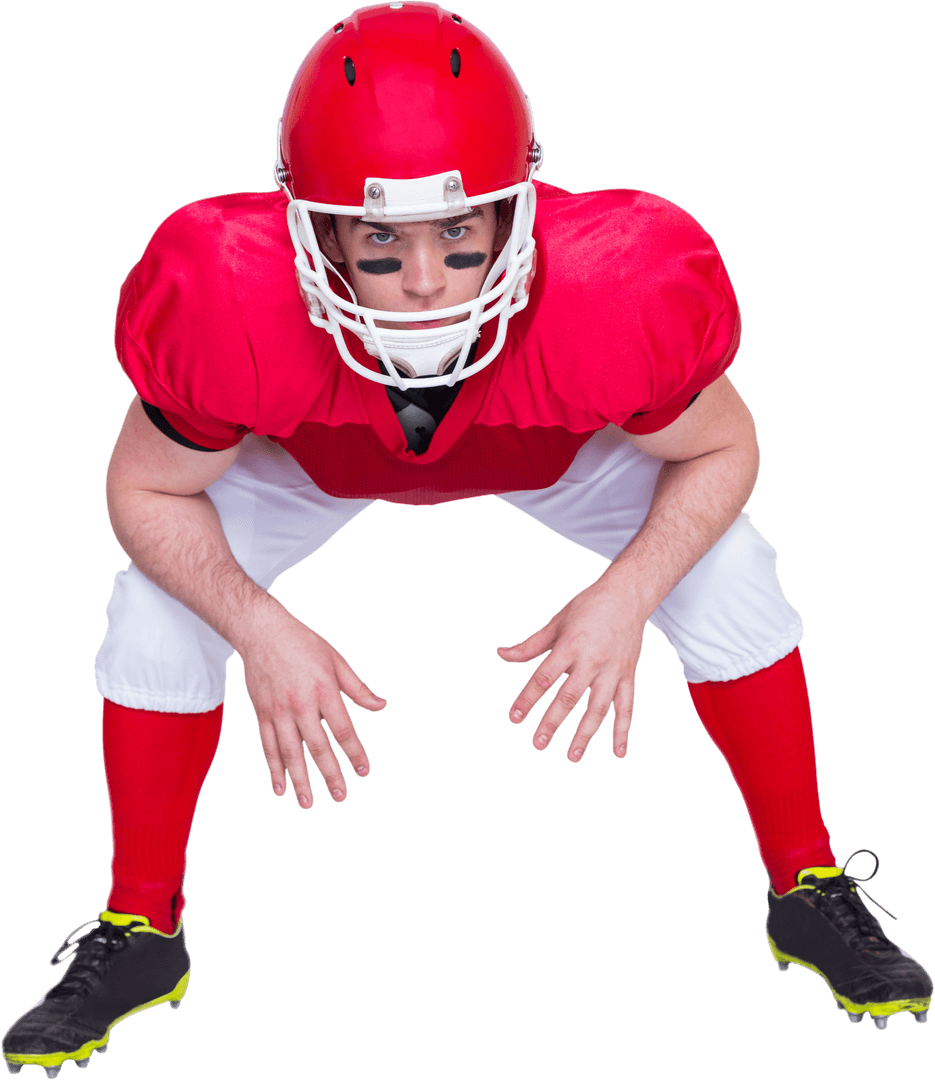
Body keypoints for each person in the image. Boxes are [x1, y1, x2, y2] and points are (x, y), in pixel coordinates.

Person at [2, 2, 930, 1075]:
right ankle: (140, 926)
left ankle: (806, 884)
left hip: (553, 446)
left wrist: (626, 593)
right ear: (313, 232)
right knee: (155, 605)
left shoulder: (610, 291)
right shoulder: (229, 300)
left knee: (728, 573)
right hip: (309, 454)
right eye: (379, 240)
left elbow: (726, 446)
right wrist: (257, 627)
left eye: (457, 232)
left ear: (516, 211)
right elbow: (141, 488)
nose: (426, 280)